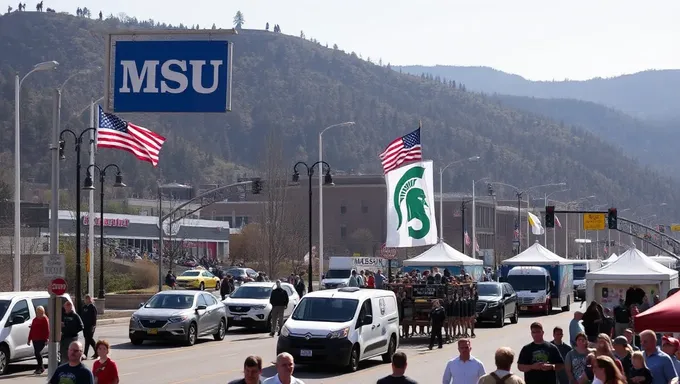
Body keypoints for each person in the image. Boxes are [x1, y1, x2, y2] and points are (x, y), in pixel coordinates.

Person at [27, 305, 49, 374]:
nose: (39, 314)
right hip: (35, 339)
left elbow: (47, 330)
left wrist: (46, 339)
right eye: (38, 312)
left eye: (41, 312)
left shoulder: (45, 319)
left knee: (38, 352)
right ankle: (40, 367)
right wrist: (29, 339)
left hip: (41, 339)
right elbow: (32, 330)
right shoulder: (35, 319)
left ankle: (40, 367)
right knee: (36, 353)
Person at [82, 294, 98, 359]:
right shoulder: (84, 307)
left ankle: (85, 354)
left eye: (86, 299)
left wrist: (94, 325)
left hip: (91, 326)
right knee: (88, 339)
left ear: (89, 299)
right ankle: (96, 352)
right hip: (85, 326)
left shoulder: (92, 307)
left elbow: (94, 317)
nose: (84, 300)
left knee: (89, 339)